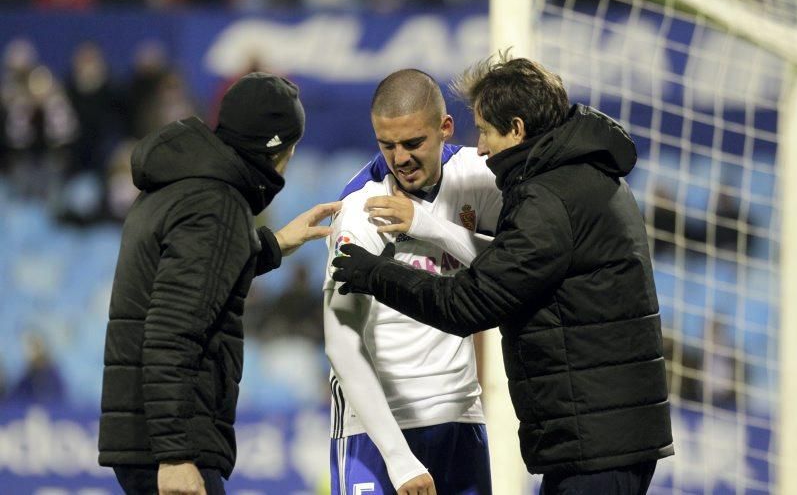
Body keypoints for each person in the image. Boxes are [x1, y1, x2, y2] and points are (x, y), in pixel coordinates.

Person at [332, 54, 674, 494]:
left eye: (487, 131)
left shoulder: (549, 198)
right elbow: (507, 267)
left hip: (597, 438)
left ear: (516, 128)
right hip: (601, 433)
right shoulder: (583, 176)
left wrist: (376, 273)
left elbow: (470, 303)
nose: (480, 147)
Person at [98, 72, 340, 495]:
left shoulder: (179, 186)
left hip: (144, 435)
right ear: (278, 148)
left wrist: (274, 244)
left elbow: (200, 276)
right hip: (172, 444)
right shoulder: (217, 203)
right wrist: (175, 456)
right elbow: (172, 332)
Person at [324, 69, 502, 495]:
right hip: (376, 431)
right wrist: (400, 459)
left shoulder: (479, 177)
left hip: (460, 418)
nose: (399, 158)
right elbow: (340, 341)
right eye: (387, 145)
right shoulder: (362, 208)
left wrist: (428, 226)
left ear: (446, 128)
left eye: (413, 143)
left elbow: (514, 270)